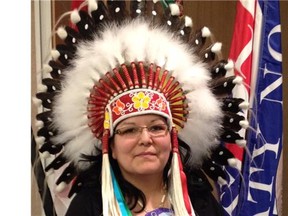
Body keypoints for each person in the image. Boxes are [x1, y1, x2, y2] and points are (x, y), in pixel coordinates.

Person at [34, 0, 248, 215]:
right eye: (129, 130)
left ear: (173, 137)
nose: (146, 139)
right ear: (111, 146)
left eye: (156, 128)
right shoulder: (90, 207)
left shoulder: (199, 202)